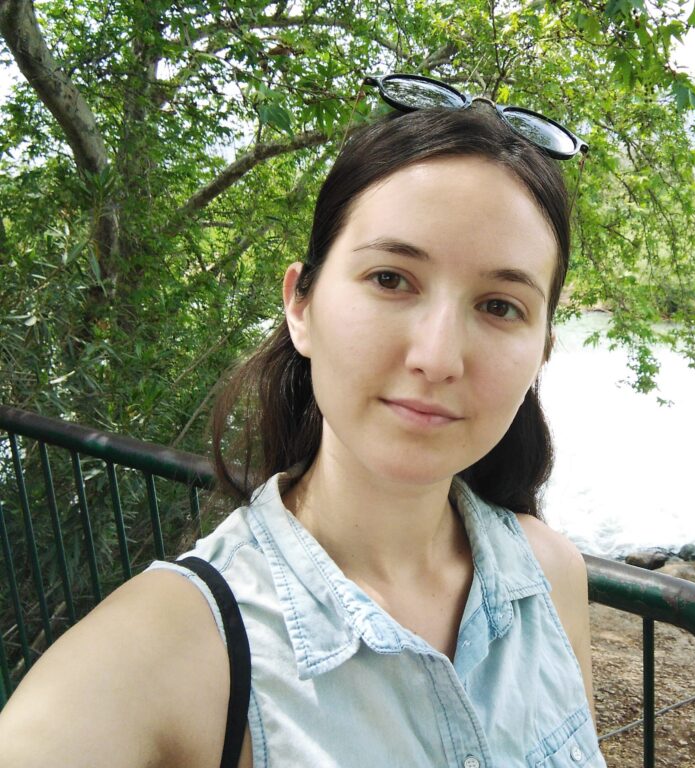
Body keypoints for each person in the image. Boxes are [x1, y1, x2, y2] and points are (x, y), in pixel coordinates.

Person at [0, 74, 603, 768]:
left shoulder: (550, 576)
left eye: (500, 306)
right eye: (390, 279)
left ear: (543, 348)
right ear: (301, 305)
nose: (438, 358)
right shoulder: (170, 652)